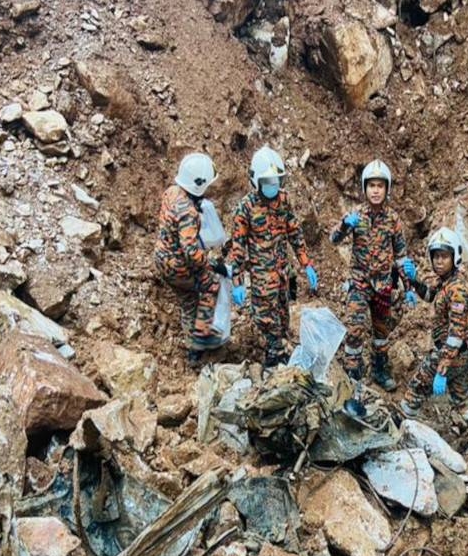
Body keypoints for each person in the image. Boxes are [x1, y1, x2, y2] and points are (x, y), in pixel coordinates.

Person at [400, 227, 468, 458]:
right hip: (460, 355)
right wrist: (415, 279)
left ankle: (400, 433)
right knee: (463, 398)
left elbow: (456, 333)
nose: (438, 261)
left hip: (451, 354)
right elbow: (428, 295)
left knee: (417, 387)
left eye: (444, 256)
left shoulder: (457, 290)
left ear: (454, 257)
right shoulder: (446, 282)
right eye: (435, 256)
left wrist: (442, 368)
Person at [228, 145, 319, 368]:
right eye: (268, 182)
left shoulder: (283, 200)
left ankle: (280, 350)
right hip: (261, 275)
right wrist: (237, 281)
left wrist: (305, 262)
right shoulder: (245, 209)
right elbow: (237, 248)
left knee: (282, 315)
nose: (273, 187)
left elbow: (294, 231)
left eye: (276, 181)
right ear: (256, 181)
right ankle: (272, 357)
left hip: (282, 273)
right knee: (264, 318)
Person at [330, 159, 417, 392]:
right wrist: (344, 225)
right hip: (359, 283)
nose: (375, 190)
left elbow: (401, 257)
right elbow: (333, 240)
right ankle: (352, 375)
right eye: (371, 186)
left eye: (380, 186)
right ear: (364, 188)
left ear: (386, 189)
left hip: (383, 287)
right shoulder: (355, 215)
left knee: (381, 333)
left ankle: (379, 370)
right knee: (354, 329)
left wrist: (409, 287)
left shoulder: (393, 220)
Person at [154, 152, 229, 367]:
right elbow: (191, 252)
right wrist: (213, 264)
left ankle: (193, 350)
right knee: (211, 285)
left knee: (188, 301)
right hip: (178, 266)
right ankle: (200, 339)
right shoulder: (189, 213)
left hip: (162, 257)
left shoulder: (171, 192)